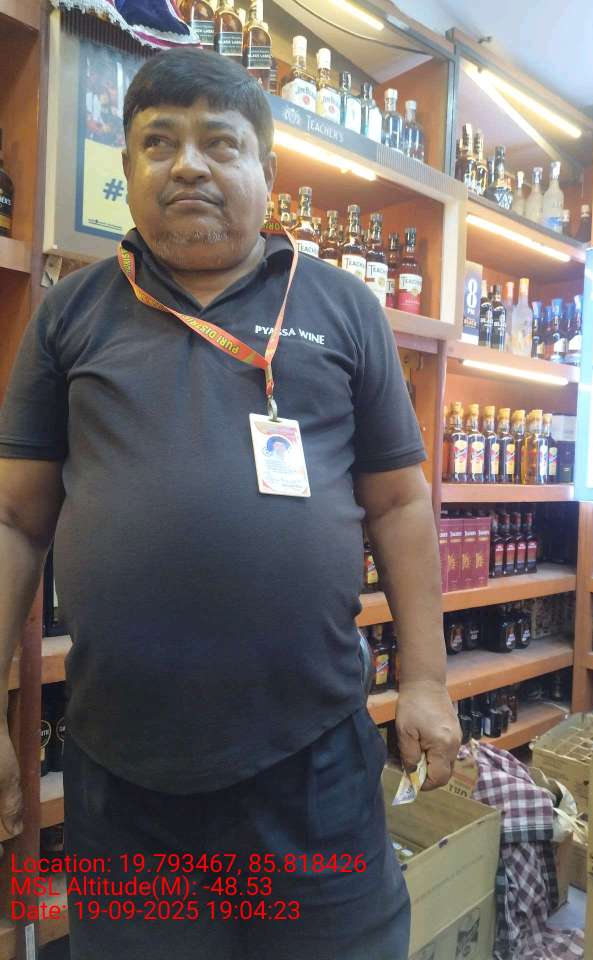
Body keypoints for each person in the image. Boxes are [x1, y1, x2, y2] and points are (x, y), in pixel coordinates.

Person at [0, 49, 460, 959]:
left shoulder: (343, 307)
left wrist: (427, 681)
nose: (188, 165)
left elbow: (402, 504)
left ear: (267, 170)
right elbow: (15, 521)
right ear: (127, 166)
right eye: (158, 143)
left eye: (220, 143)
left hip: (312, 764)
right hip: (122, 774)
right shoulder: (69, 313)